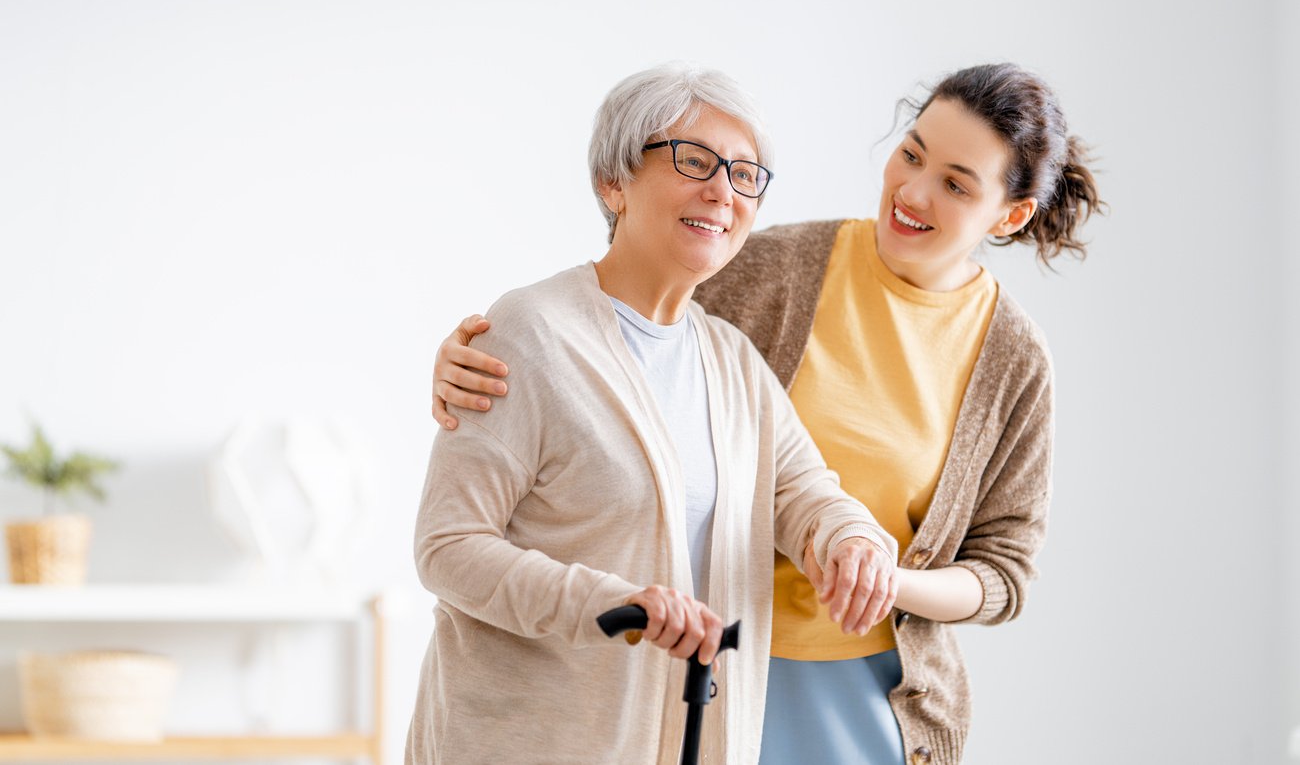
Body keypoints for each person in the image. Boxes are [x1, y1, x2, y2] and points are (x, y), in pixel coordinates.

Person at [431, 62, 1104, 764]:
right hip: (683, 662)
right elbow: (607, 332)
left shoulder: (1009, 357)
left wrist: (870, 562)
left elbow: (816, 492)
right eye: (911, 153)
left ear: (1010, 213)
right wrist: (476, 356)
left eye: (957, 183)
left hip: (833, 682)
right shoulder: (771, 266)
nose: (913, 190)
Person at [406, 63, 899, 765]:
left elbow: (807, 493)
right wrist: (617, 604)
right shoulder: (530, 332)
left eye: (745, 174)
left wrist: (853, 542)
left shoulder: (733, 364)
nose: (722, 190)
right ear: (615, 181)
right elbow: (447, 545)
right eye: (694, 160)